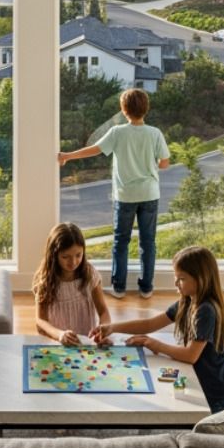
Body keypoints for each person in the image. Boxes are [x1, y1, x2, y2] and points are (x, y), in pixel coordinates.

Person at [93, 245, 224, 413]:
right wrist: (112, 327)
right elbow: (150, 324)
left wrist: (154, 344)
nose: (175, 282)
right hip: (215, 386)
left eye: (181, 278)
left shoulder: (206, 310)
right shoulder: (187, 301)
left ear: (200, 279)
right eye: (176, 277)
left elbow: (191, 356)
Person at [58, 87, 171, 299]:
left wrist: (67, 155)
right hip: (149, 194)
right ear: (146, 109)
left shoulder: (118, 132)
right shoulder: (155, 133)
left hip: (125, 195)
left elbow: (95, 149)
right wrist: (150, 163)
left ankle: (119, 287)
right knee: (148, 242)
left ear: (123, 109)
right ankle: (146, 288)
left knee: (121, 241)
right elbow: (165, 163)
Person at [32, 222, 109, 346]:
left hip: (86, 343)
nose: (73, 262)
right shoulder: (45, 279)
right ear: (54, 255)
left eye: (78, 255)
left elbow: (103, 311)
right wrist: (60, 335)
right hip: (58, 343)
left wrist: (104, 330)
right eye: (65, 257)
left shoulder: (90, 274)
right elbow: (40, 320)